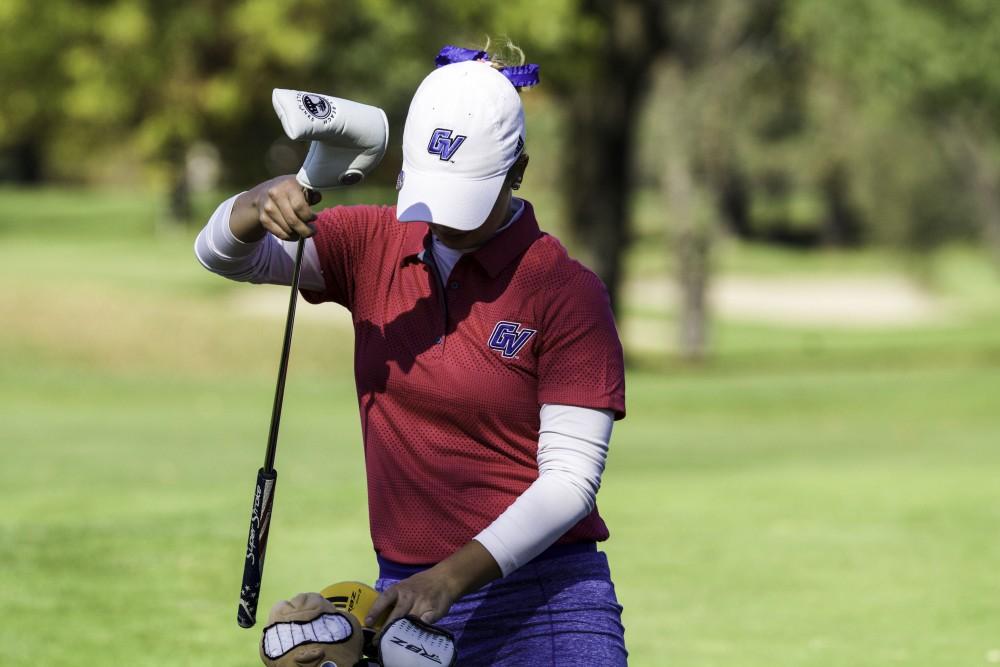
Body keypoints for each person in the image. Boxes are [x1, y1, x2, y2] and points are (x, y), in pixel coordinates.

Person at [196, 47, 628, 666]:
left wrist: (448, 578)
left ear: (519, 170)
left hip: (545, 607)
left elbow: (570, 483)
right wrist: (254, 203)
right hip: (407, 606)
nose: (446, 218)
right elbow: (226, 256)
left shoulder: (564, 290)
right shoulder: (372, 243)